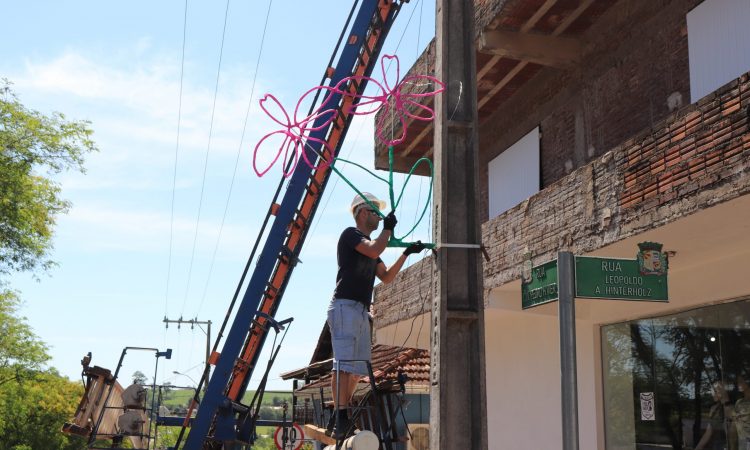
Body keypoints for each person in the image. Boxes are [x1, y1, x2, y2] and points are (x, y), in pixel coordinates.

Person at [327, 192, 425, 438]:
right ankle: (339, 415)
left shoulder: (373, 246)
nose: (379, 217)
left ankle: (343, 413)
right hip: (345, 306)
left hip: (359, 309)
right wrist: (388, 231)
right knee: (343, 365)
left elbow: (386, 276)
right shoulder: (352, 235)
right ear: (361, 212)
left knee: (356, 367)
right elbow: (372, 250)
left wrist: (406, 254)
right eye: (374, 212)